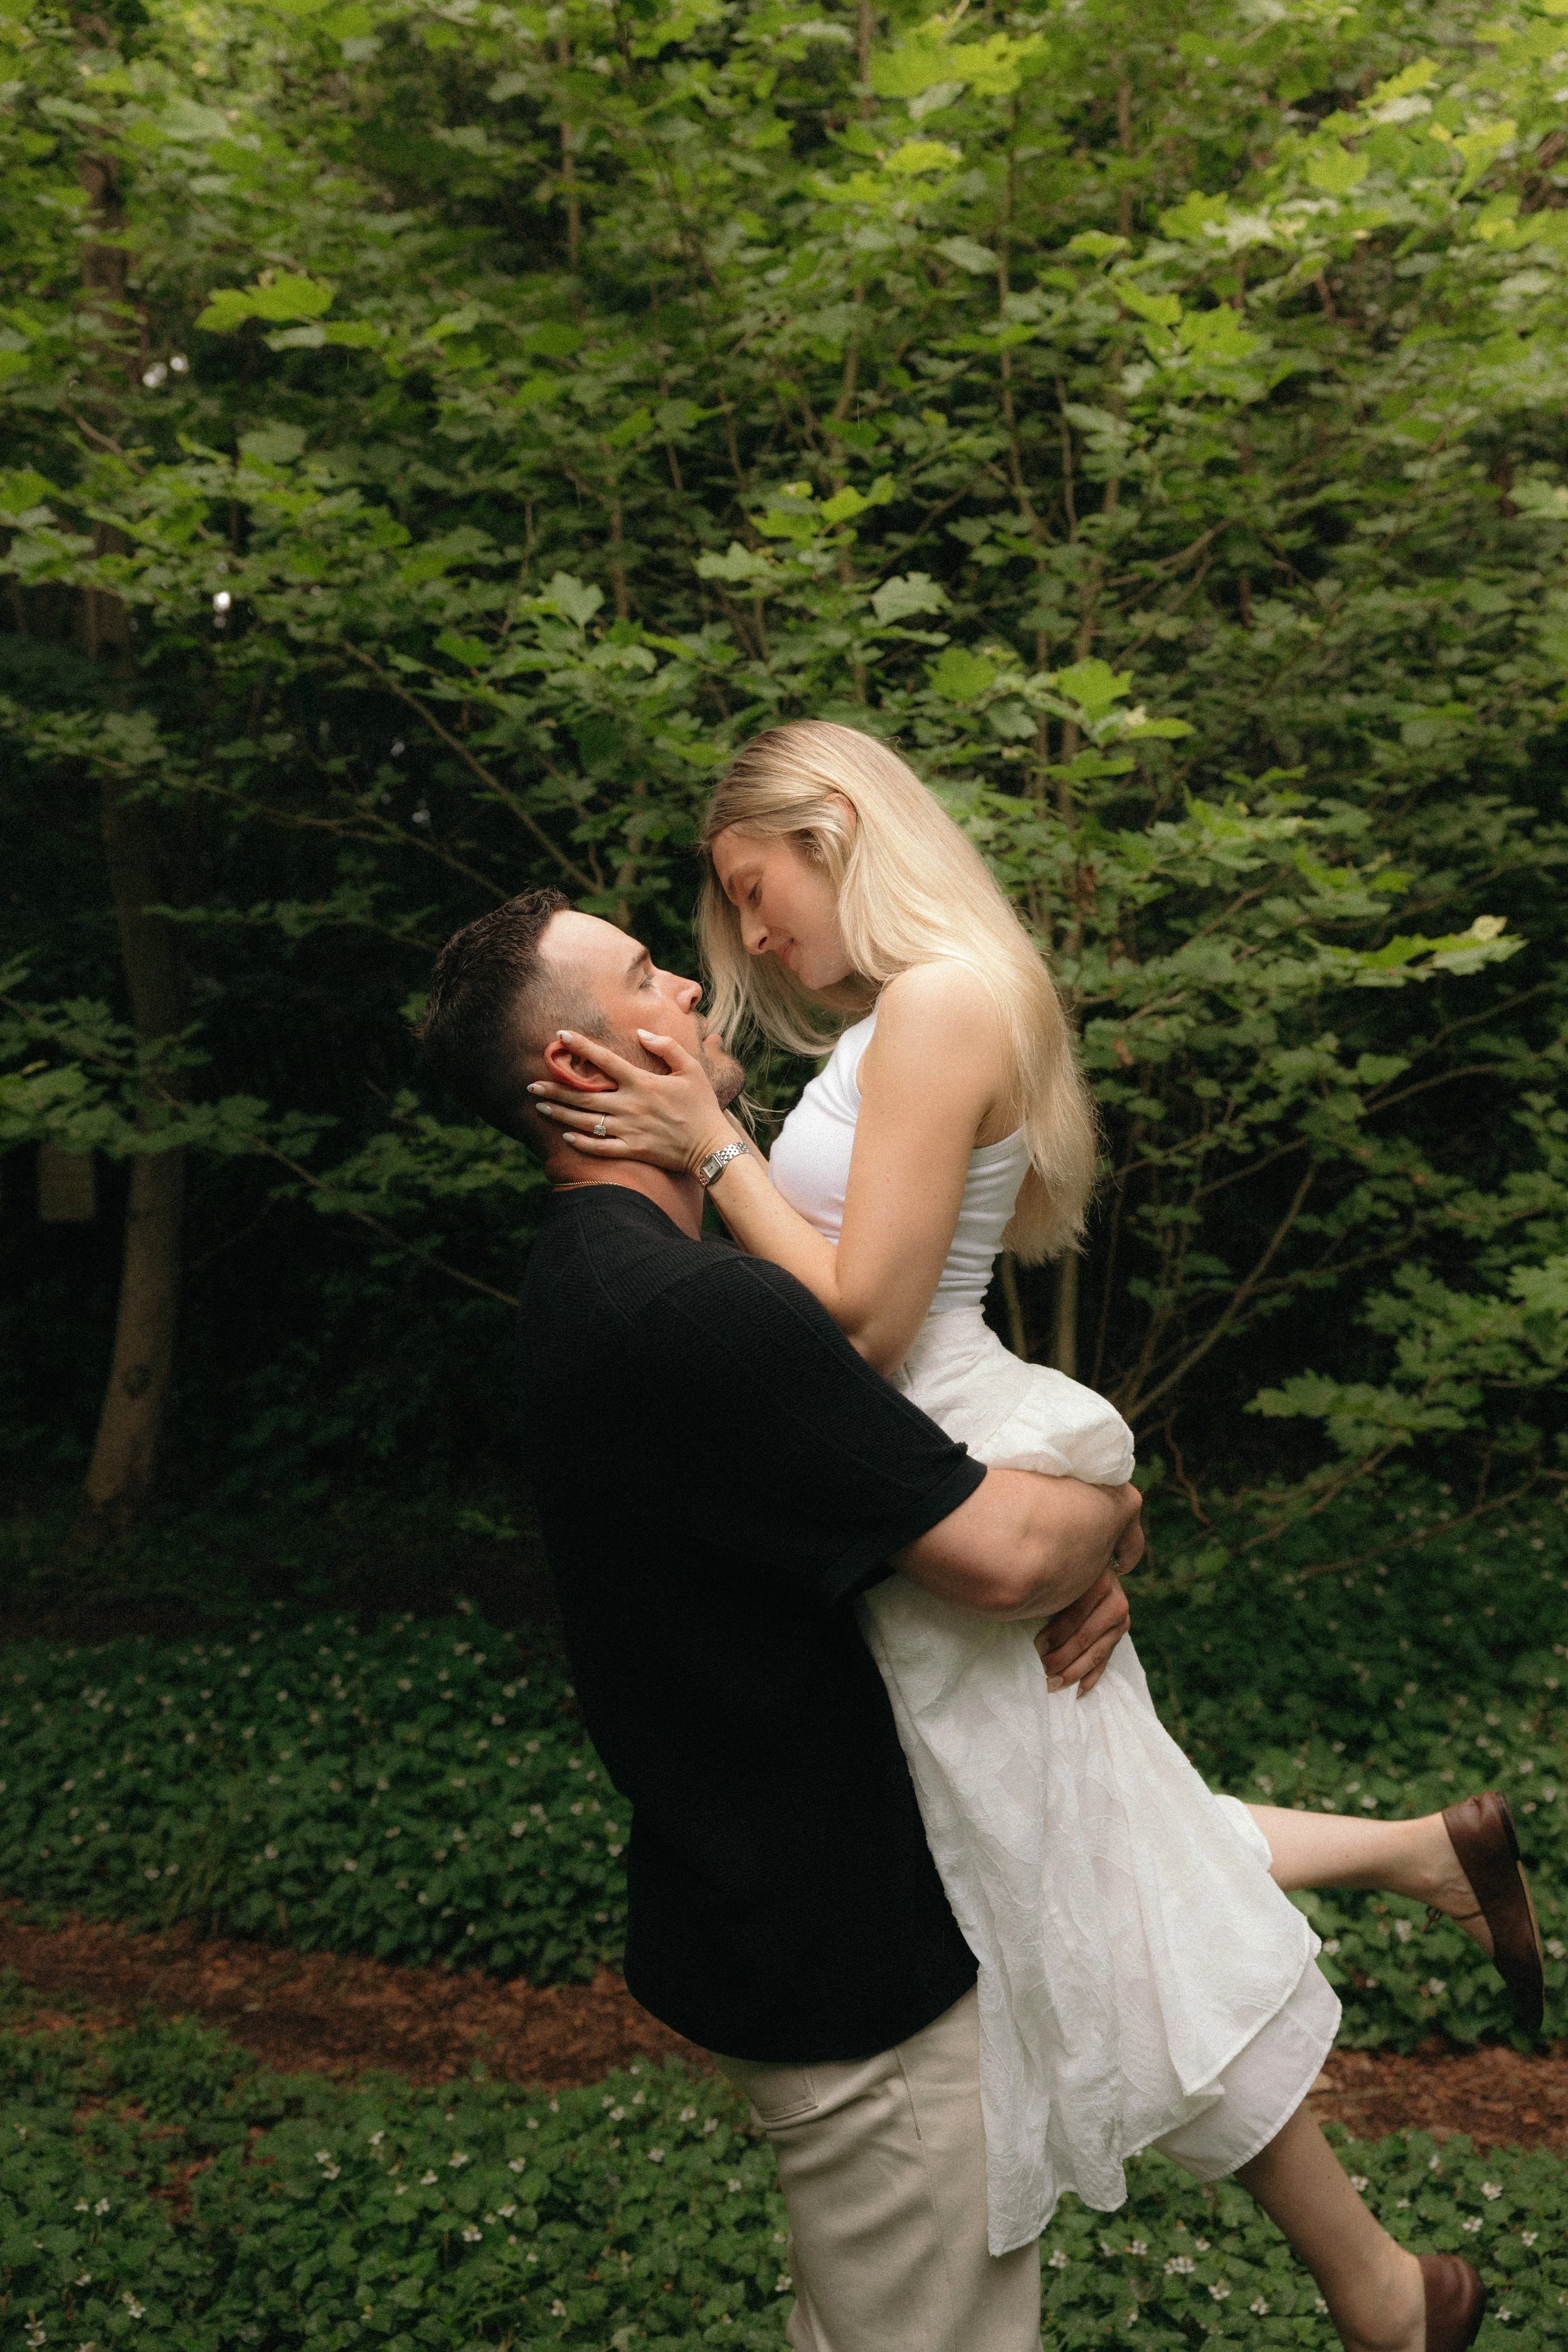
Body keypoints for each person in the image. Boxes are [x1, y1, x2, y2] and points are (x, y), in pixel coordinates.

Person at [521, 721, 1542, 2352]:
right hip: (901, 1458)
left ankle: (1379, 2253)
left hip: (918, 1438)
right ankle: (1383, 2231)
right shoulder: (898, 1016)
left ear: (836, 824)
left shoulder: (940, 1002)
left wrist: (708, 1149)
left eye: (750, 889)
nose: (750, 942)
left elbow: (853, 1319)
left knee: (1062, 1843)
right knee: (1072, 1829)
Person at [419, 884, 1143, 2352]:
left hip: (762, 1915)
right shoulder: (693, 1315)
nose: (691, 987)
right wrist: (1115, 1515)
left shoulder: (592, 1284)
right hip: (848, 1966)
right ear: (581, 1069)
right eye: (644, 977)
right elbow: (1003, 1556)